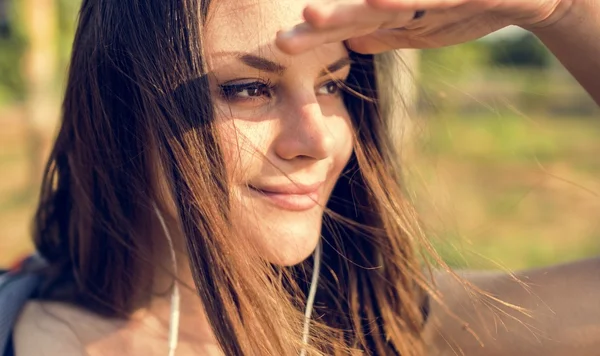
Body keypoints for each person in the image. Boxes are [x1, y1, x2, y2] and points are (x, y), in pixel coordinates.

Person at [2, 0, 599, 355]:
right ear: (118, 107)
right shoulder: (17, 322)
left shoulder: (388, 323)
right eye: (248, 88)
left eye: (331, 85)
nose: (317, 140)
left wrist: (565, 11)